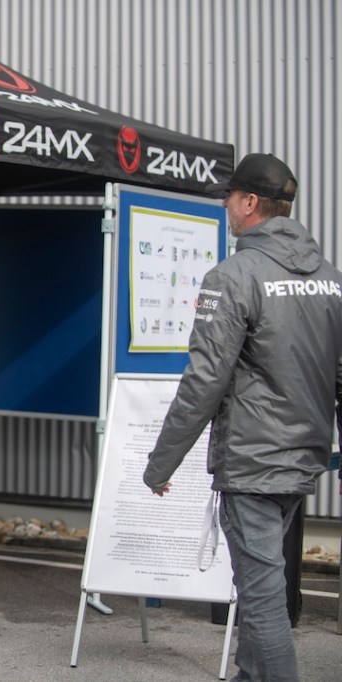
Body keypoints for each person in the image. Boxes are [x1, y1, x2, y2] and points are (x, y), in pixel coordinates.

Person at [143, 153, 342, 682]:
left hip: (253, 460)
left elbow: (204, 381)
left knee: (261, 596)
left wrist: (160, 464)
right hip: (302, 458)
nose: (227, 206)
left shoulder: (232, 277)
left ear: (250, 202)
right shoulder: (330, 279)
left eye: (230, 197)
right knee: (262, 583)